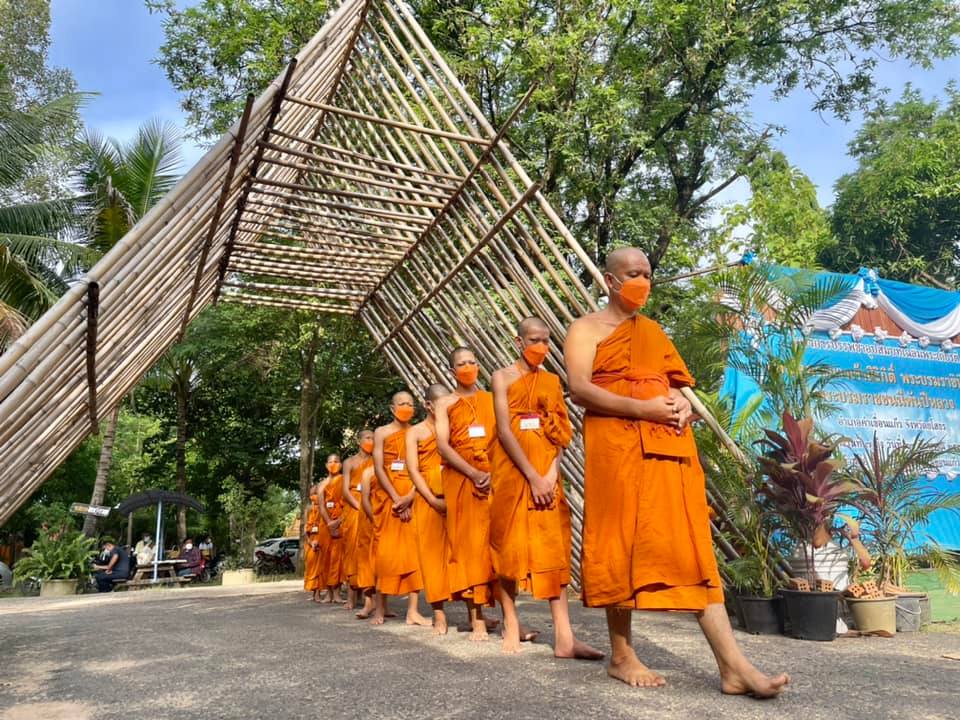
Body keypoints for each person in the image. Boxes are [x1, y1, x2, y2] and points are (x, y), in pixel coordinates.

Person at [563, 246, 788, 696]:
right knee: (618, 543)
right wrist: (642, 408)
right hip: (616, 446)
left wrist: (683, 406)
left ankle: (733, 667)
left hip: (667, 448)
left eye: (647, 273)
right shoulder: (586, 328)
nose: (642, 281)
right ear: (610, 280)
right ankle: (622, 655)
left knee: (692, 548)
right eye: (633, 273)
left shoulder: (653, 332)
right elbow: (580, 388)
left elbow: (678, 388)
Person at [490, 317, 605, 660]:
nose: (540, 347)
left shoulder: (553, 381)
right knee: (507, 548)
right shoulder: (501, 378)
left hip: (547, 472)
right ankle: (511, 621)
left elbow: (559, 431)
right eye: (534, 340)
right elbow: (504, 431)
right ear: (518, 341)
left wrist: (550, 475)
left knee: (554, 549)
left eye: (546, 340)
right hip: (513, 473)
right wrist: (531, 476)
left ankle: (565, 637)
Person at [435, 347, 498, 641]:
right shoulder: (445, 404)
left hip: (494, 474)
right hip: (461, 478)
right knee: (468, 544)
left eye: (473, 362)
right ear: (452, 371)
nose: (468, 367)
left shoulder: (491, 399)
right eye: (462, 364)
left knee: (495, 544)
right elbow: (444, 445)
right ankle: (477, 618)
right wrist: (472, 474)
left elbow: (503, 436)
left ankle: (507, 616)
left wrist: (492, 472)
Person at [369, 391, 430, 627]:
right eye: (401, 404)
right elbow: (379, 468)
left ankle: (413, 611)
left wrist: (410, 496)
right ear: (392, 408)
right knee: (386, 554)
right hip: (389, 498)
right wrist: (396, 498)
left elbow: (422, 467)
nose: (406, 407)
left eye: (410, 404)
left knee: (415, 554)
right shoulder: (382, 432)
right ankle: (380, 608)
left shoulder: (416, 432)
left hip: (413, 494)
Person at [403, 383, 453, 634]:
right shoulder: (416, 432)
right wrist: (432, 500)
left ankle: (476, 614)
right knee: (432, 559)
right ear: (428, 405)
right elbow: (413, 470)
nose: (447, 408)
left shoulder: (454, 427)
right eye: (441, 404)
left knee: (463, 556)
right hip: (427, 499)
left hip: (458, 494)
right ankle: (439, 614)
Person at [341, 430, 375, 612]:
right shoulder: (349, 462)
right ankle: (352, 597)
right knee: (353, 550)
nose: (371, 441)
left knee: (371, 550)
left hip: (372, 504)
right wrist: (359, 506)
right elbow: (345, 490)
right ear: (359, 440)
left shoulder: (377, 461)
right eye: (368, 438)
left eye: (373, 438)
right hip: (354, 506)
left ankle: (373, 597)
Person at [317, 454, 345, 604]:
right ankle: (328, 592)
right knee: (326, 558)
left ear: (340, 464)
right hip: (326, 525)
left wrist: (339, 521)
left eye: (336, 461)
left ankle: (338, 592)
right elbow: (321, 506)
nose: (333, 464)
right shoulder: (322, 484)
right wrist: (329, 523)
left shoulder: (345, 481)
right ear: (326, 465)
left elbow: (348, 502)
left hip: (342, 521)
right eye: (330, 462)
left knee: (339, 558)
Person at [304, 486, 325, 602]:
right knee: (311, 568)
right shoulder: (308, 509)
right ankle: (313, 593)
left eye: (317, 494)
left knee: (319, 569)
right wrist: (310, 542)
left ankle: (318, 593)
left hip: (322, 541)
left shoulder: (324, 509)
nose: (314, 497)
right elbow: (305, 528)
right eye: (312, 494)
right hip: (310, 543)